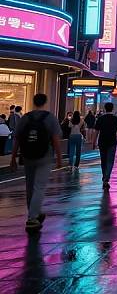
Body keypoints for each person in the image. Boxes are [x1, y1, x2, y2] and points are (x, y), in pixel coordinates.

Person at [10, 93, 62, 233]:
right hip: (44, 156)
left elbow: (17, 138)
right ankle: (32, 217)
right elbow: (56, 139)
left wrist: (13, 158)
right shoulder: (50, 118)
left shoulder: (25, 117)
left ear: (33, 102)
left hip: (27, 156)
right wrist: (59, 158)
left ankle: (35, 212)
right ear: (45, 102)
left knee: (30, 185)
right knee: (39, 186)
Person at [93, 102, 117, 190]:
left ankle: (104, 176)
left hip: (102, 142)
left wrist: (93, 142)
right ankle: (107, 177)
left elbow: (96, 132)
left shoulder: (100, 118)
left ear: (105, 108)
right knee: (110, 161)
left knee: (103, 160)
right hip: (112, 142)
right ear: (112, 108)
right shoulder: (115, 119)